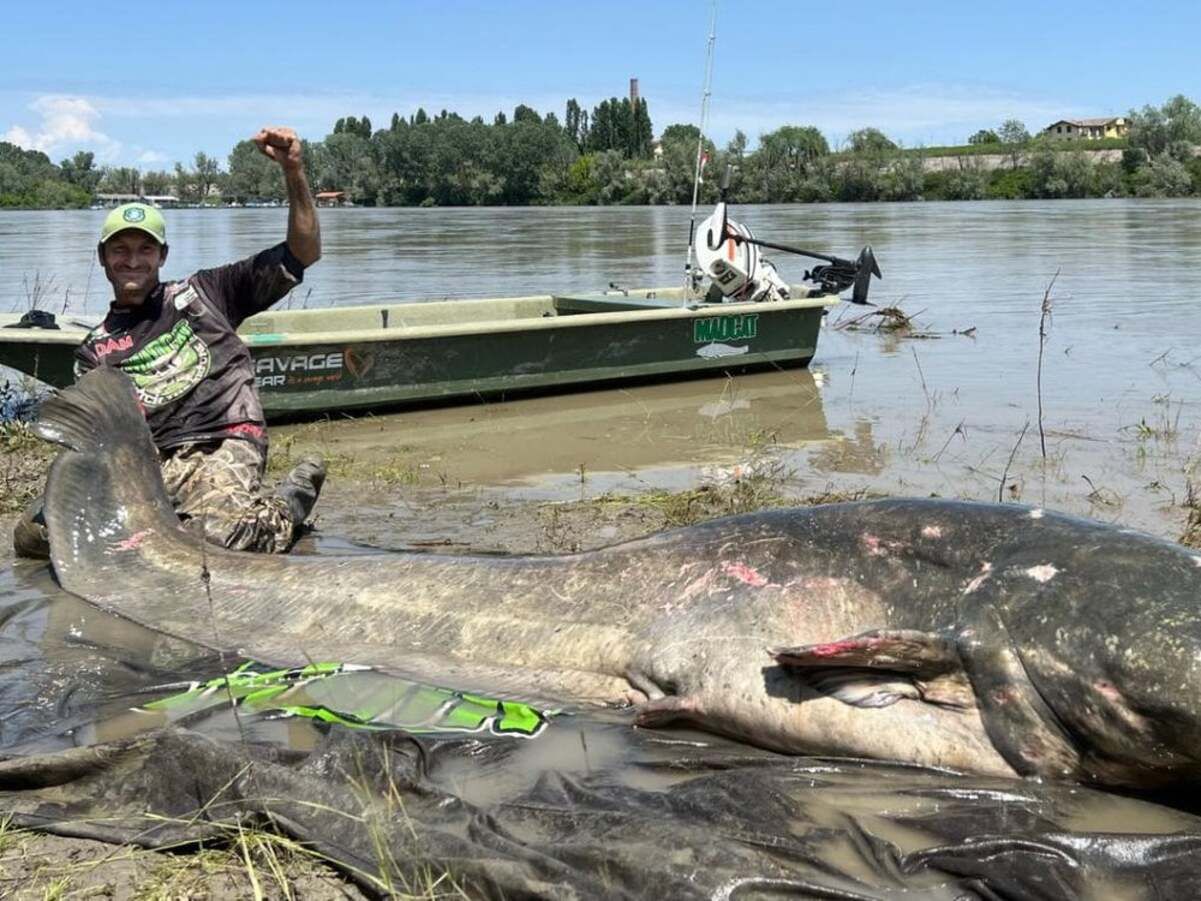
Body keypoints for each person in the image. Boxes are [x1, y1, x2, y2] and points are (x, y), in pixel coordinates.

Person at [14, 126, 324, 558]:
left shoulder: (207, 293)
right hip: (151, 464)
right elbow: (100, 439)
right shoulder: (93, 352)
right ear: (103, 258)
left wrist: (294, 171)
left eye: (145, 249)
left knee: (216, 543)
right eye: (120, 249)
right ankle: (177, 519)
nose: (133, 260)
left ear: (163, 255)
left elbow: (303, 252)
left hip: (224, 441)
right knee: (37, 537)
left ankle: (286, 506)